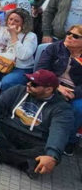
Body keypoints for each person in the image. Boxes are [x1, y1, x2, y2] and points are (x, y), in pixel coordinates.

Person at [0, 70, 74, 179]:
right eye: (29, 81)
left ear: (48, 89)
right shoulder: (18, 89)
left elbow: (59, 133)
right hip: (9, 130)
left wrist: (51, 156)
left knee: (48, 154)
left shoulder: (62, 109)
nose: (28, 84)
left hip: (33, 140)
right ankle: (23, 162)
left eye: (34, 84)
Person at [35, 25, 82, 155]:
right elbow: (41, 69)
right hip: (52, 83)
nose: (69, 36)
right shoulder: (55, 47)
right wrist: (57, 86)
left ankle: (69, 141)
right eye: (69, 33)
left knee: (79, 108)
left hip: (74, 89)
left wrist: (74, 93)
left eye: (75, 36)